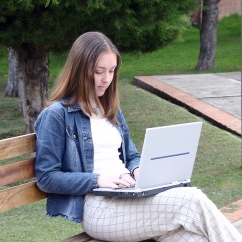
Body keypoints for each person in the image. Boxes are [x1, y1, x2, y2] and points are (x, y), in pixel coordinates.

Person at [34, 32, 242, 242]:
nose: (107, 79)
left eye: (112, 71)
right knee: (192, 200)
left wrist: (138, 169)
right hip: (99, 207)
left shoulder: (110, 108)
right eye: (99, 71)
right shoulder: (56, 115)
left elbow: (131, 155)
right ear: (80, 70)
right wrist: (97, 179)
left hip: (131, 197)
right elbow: (46, 178)